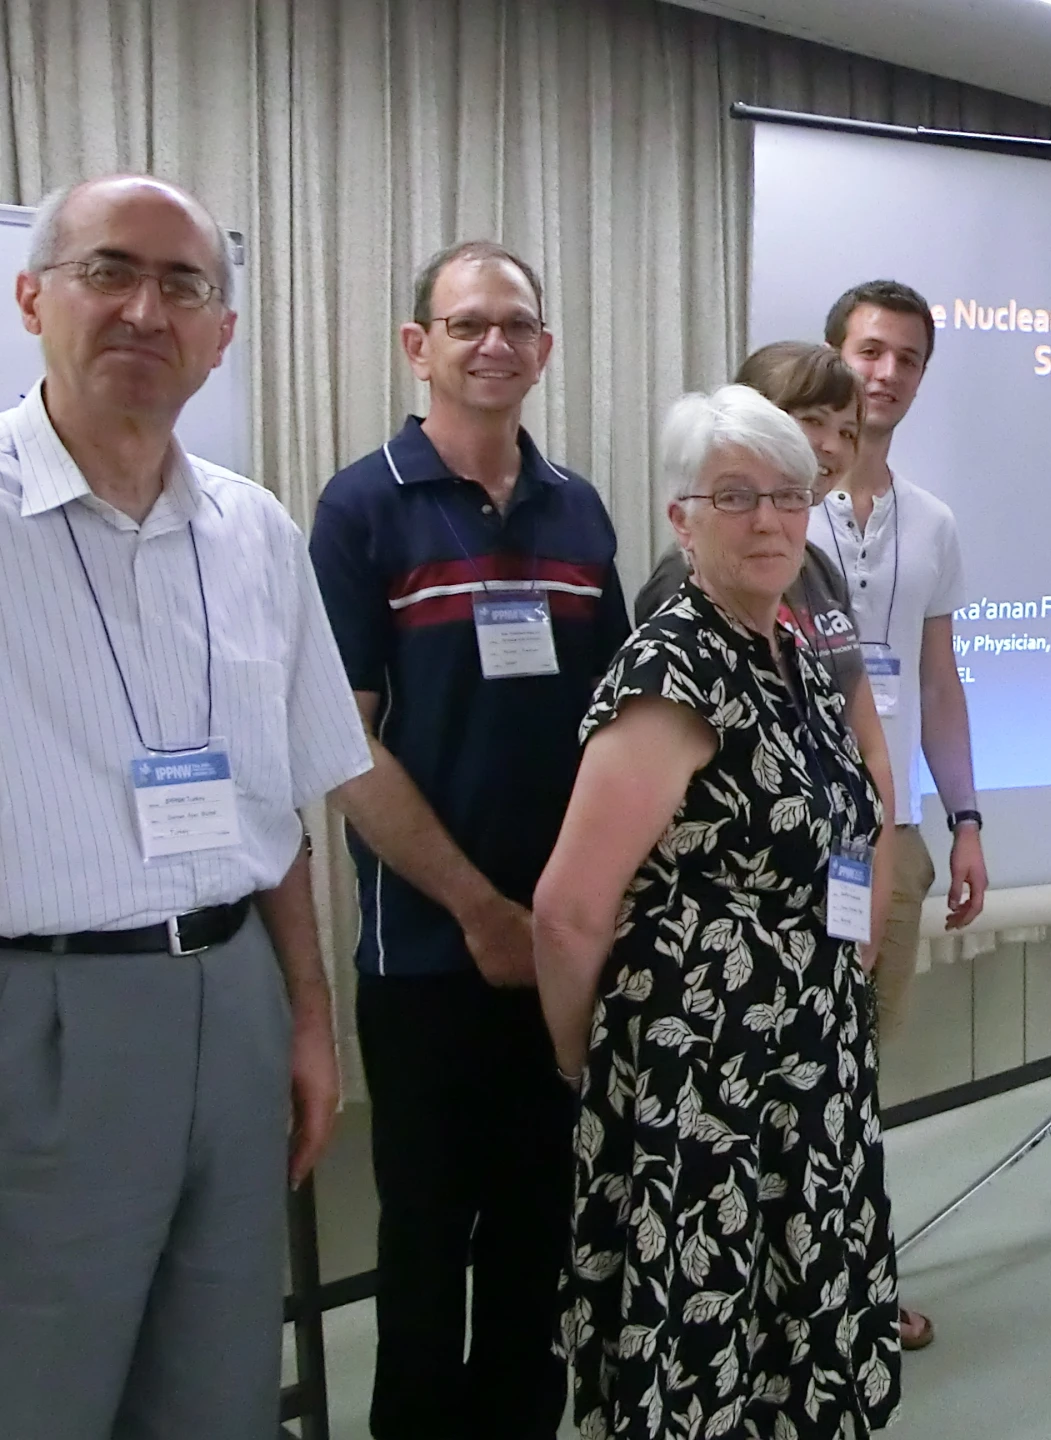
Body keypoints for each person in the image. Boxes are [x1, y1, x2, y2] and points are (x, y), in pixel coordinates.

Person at [0, 173, 372, 1438]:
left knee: (213, 1402)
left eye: (184, 284)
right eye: (110, 271)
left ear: (222, 333)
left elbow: (280, 820)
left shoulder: (255, 535)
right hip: (11, 1026)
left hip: (228, 1004)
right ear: (33, 296)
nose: (146, 308)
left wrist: (309, 1024)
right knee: (0, 1405)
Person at [535, 387, 901, 1437]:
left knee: (793, 1332)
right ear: (681, 520)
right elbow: (566, 911)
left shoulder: (785, 648)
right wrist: (589, 1065)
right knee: (710, 1343)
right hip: (702, 1079)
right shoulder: (672, 667)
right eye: (734, 496)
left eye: (789, 496)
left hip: (807, 1062)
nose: (769, 520)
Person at [309, 240, 628, 1439]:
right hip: (431, 957)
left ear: (543, 349)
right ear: (418, 346)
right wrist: (482, 911)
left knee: (539, 1229)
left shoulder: (578, 509)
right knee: (428, 1239)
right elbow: (344, 749)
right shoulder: (361, 508)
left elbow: (617, 731)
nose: (494, 344)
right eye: (466, 324)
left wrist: (569, 915)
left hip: (563, 946)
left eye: (517, 325)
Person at [633, 342, 899, 1000]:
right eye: (812, 421)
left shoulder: (814, 570)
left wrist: (874, 890)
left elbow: (866, 742)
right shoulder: (689, 580)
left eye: (847, 429)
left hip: (831, 898)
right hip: (729, 946)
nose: (832, 447)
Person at [813, 280, 988, 1039]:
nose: (887, 374)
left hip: (895, 830)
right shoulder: (777, 506)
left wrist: (967, 822)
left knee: (868, 1062)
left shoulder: (933, 523)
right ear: (834, 358)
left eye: (908, 360)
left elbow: (938, 684)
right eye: (871, 352)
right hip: (794, 827)